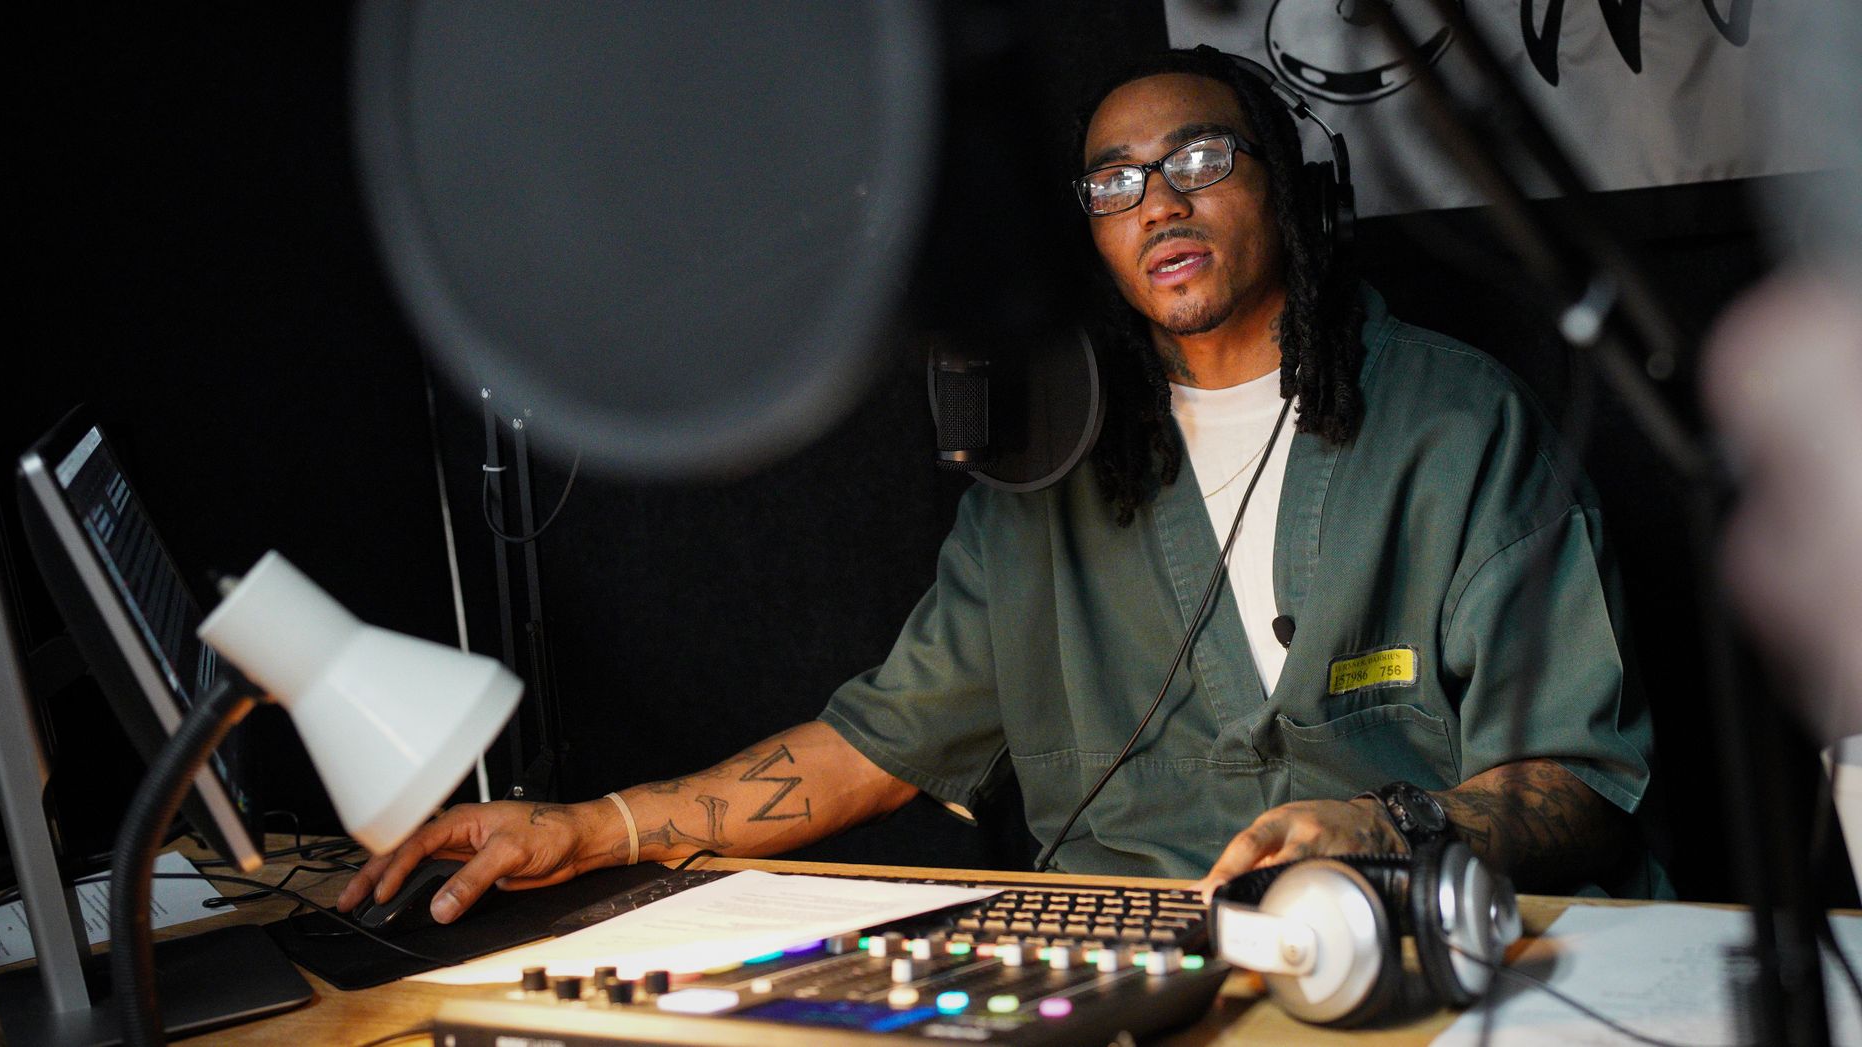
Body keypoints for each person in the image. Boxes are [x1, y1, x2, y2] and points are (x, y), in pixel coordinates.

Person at [339, 46, 1662, 926]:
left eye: (1199, 160)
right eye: (1113, 183)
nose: (1157, 201)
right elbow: (874, 743)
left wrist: (1383, 828)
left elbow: (1581, 789)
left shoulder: (1457, 424)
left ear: (1292, 186)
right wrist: (587, 831)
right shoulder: (1050, 472)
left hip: (1408, 954)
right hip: (1149, 980)